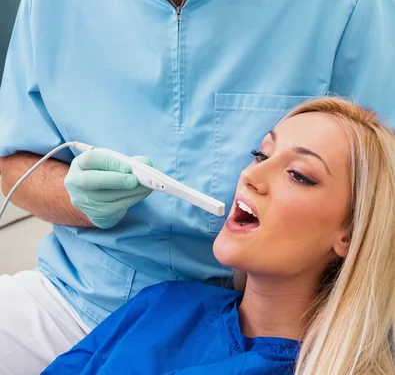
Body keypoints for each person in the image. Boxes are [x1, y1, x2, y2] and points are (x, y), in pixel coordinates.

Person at [0, 0, 394, 372]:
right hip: (78, 301)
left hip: (256, 326)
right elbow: (13, 163)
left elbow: (380, 207)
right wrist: (81, 201)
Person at [42, 97, 395, 374]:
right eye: (261, 155)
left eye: (299, 175)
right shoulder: (164, 303)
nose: (250, 176)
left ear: (349, 235)